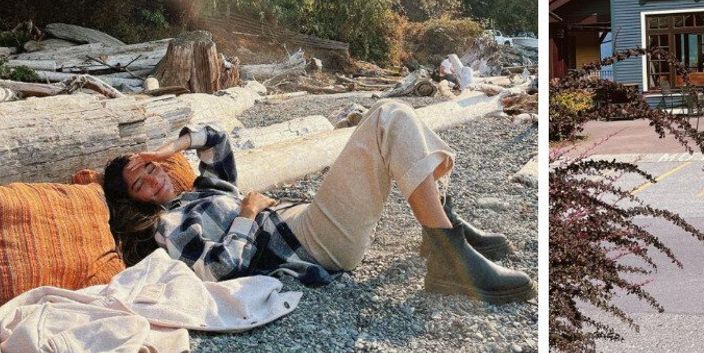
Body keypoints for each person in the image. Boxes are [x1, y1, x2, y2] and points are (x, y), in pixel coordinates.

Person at [101, 99, 535, 305]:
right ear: (136, 201)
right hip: (309, 242)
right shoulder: (169, 225)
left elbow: (217, 138)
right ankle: (446, 249)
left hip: (307, 222)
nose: (153, 178)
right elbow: (218, 270)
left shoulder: (203, 189)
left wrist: (169, 148)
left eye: (150, 168)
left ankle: (444, 228)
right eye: (140, 181)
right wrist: (247, 215)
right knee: (387, 118)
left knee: (394, 118)